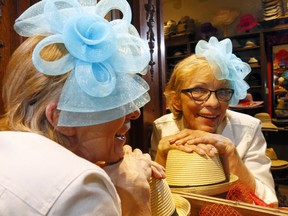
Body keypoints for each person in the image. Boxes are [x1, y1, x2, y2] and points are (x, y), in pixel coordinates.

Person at [0, 0, 165, 215]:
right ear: (61, 117)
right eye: (113, 100)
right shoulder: (82, 188)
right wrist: (134, 193)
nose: (134, 112)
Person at [150, 37, 278, 205]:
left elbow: (268, 202)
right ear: (176, 100)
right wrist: (161, 155)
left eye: (223, 91)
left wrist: (230, 152)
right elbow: (155, 203)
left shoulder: (247, 129)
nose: (214, 103)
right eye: (199, 91)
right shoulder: (163, 128)